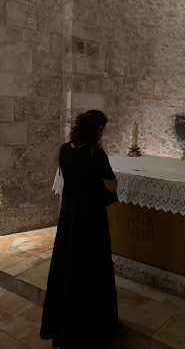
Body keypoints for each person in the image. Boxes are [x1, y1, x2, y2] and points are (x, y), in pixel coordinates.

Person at [40, 110, 120, 349]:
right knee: (92, 268)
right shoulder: (97, 153)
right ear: (98, 130)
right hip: (91, 220)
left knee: (68, 267)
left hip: (69, 218)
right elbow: (112, 184)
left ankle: (66, 325)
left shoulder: (64, 149)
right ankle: (93, 326)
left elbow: (68, 177)